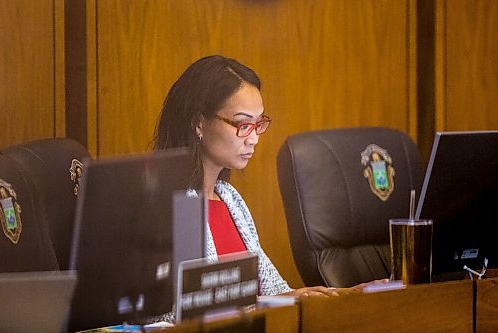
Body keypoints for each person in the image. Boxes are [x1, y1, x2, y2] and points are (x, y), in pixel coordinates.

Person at [153, 55, 387, 311]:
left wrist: (343, 295)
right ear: (198, 122)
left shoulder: (230, 199)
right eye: (243, 124)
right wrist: (277, 302)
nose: (253, 138)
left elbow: (277, 293)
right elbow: (178, 315)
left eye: (258, 124)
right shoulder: (170, 207)